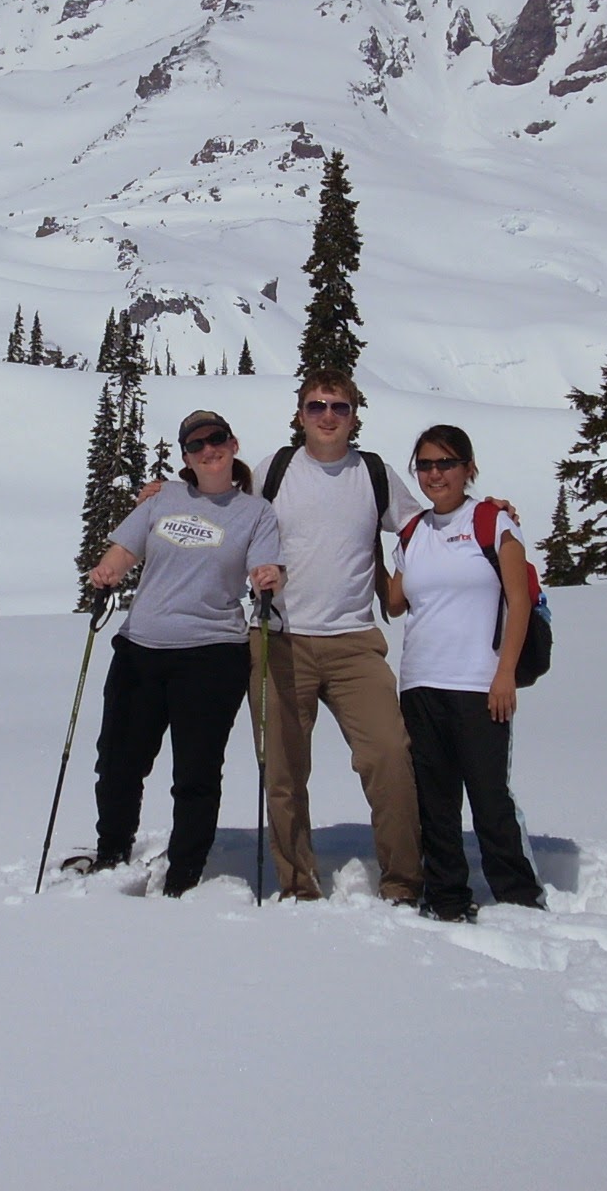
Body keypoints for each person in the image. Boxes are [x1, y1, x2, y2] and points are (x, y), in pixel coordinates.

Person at [81, 410, 284, 896]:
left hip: (212, 654)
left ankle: (185, 871)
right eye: (196, 445)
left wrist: (266, 578)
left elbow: (264, 564)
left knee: (194, 770)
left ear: (233, 445)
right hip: (140, 647)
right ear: (186, 458)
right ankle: (111, 851)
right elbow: (125, 549)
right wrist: (108, 570)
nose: (208, 450)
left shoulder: (256, 512)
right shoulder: (163, 497)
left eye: (216, 439)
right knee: (118, 761)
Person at [251, 371, 427, 904]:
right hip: (279, 640)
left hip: (355, 642)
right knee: (282, 773)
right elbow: (234, 519)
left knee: (390, 757)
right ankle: (298, 883)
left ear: (355, 415)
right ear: (300, 413)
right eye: (316, 406)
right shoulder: (275, 470)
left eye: (340, 407)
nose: (328, 416)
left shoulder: (373, 473)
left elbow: (424, 527)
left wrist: (485, 515)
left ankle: (402, 881)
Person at [385, 423, 546, 921]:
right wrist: (357, 541)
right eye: (426, 466)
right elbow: (393, 602)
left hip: (479, 684)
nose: (436, 475)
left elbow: (518, 602)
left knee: (489, 796)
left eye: (446, 463)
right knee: (435, 802)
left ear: (468, 469)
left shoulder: (493, 522)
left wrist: (504, 675)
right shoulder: (413, 532)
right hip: (420, 684)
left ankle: (518, 895)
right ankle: (447, 897)